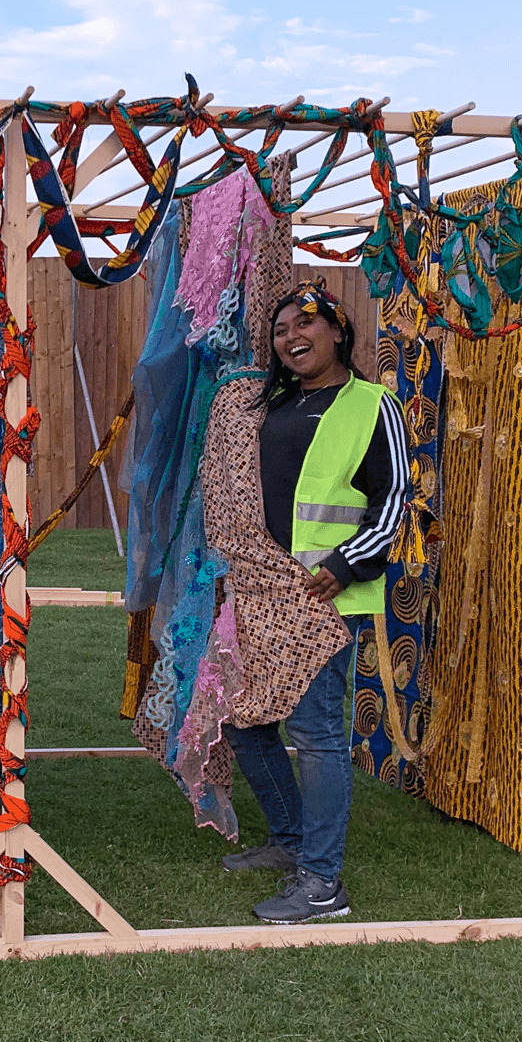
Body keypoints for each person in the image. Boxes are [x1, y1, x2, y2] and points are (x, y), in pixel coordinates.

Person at [219, 282, 408, 923]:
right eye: (280, 331)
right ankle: (291, 840)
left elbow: (392, 502)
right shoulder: (269, 408)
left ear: (338, 332)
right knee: (244, 721)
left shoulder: (372, 405)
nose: (292, 337)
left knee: (319, 737)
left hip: (325, 600)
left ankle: (322, 883)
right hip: (260, 594)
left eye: (307, 324)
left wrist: (344, 564)